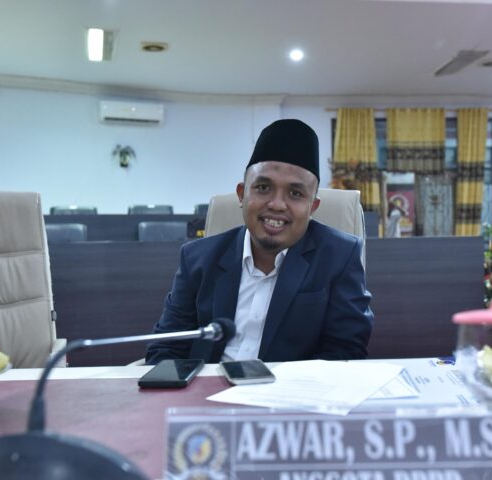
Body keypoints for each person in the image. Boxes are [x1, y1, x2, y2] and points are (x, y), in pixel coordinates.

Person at [145, 119, 373, 364]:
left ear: (312, 207)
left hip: (290, 386)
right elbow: (166, 348)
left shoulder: (339, 257)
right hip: (207, 383)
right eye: (263, 188)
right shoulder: (197, 258)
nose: (277, 204)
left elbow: (345, 352)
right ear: (242, 194)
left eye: (295, 193)